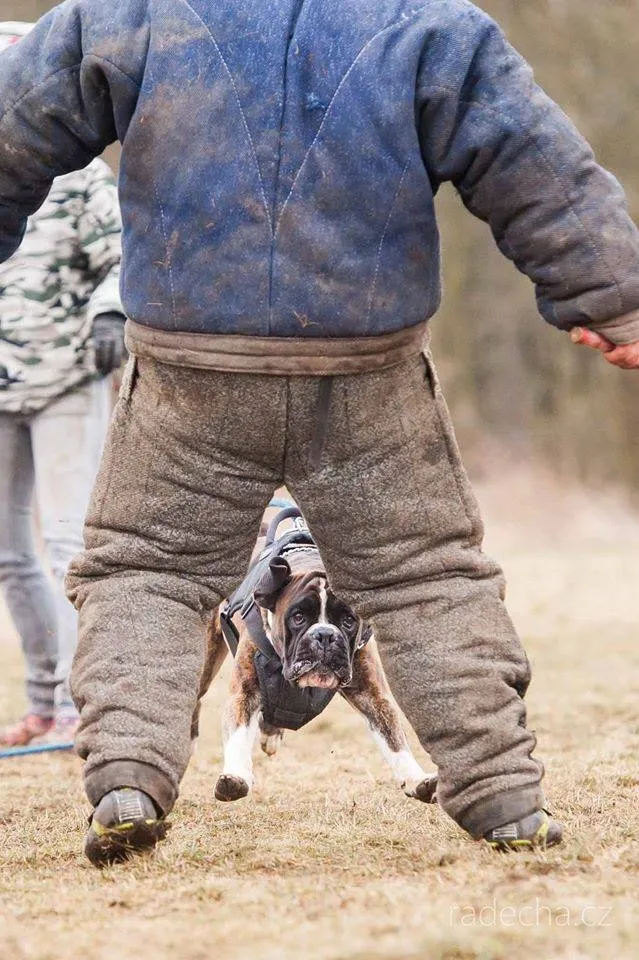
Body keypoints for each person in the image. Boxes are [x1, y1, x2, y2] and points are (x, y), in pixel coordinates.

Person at [0, 0, 637, 865]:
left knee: (151, 570)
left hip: (192, 365)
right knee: (424, 576)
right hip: (366, 363)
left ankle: (127, 782)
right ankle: (504, 798)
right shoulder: (429, 23)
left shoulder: (133, 13)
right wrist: (614, 297)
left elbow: (14, 120)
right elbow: (534, 160)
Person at [0, 22, 126, 748]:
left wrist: (111, 313)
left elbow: (124, 253)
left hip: (66, 379)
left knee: (67, 543)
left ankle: (85, 706)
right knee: (8, 553)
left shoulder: (78, 175)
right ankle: (43, 703)